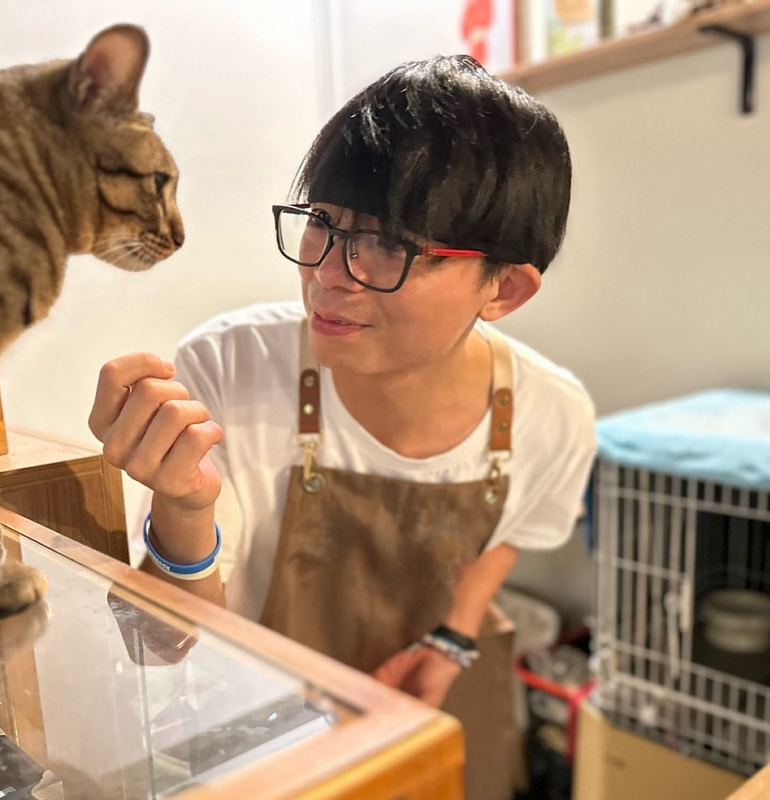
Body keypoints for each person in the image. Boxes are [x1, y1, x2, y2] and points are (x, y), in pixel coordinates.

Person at [88, 52, 594, 762]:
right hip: (261, 729)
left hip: (424, 711)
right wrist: (185, 509)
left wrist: (453, 637)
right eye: (322, 221)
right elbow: (166, 646)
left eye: (388, 244)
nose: (326, 273)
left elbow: (516, 528)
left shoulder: (553, 415)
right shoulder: (232, 365)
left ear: (503, 289)